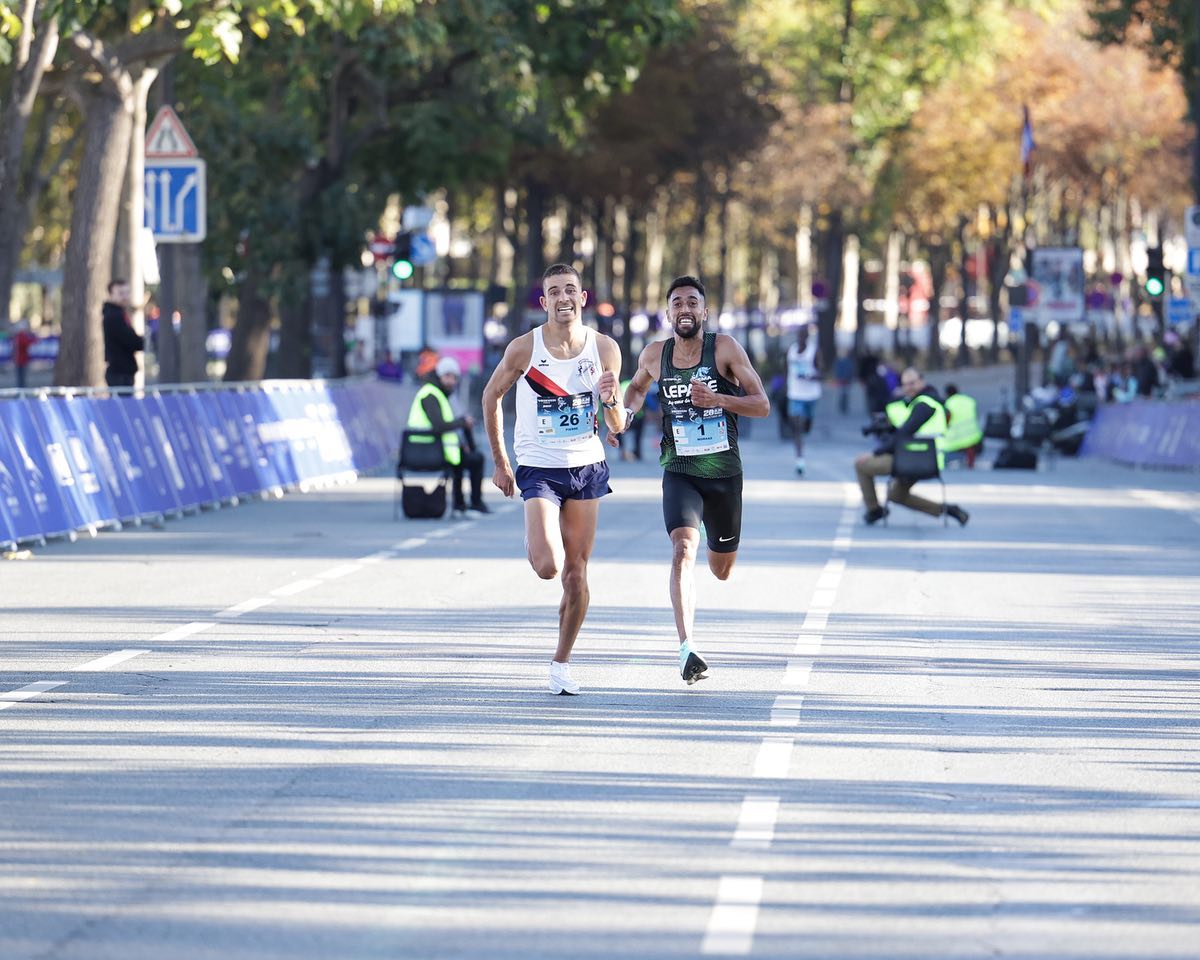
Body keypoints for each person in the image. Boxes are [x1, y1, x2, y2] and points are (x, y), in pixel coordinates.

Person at [611, 276, 770, 685]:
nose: (684, 309)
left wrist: (718, 399)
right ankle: (686, 647)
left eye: (692, 302)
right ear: (668, 313)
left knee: (720, 570)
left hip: (723, 475)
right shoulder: (653, 355)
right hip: (680, 470)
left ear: (704, 312)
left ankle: (720, 557)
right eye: (677, 302)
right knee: (683, 548)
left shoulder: (726, 349)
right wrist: (624, 417)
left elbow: (762, 405)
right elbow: (636, 391)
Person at [481, 263, 626, 695]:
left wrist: (612, 399)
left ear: (582, 298)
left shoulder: (604, 349)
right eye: (554, 292)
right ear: (545, 302)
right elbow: (490, 396)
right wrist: (500, 462)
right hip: (539, 466)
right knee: (549, 566)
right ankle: (536, 535)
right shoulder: (525, 349)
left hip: (586, 465)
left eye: (571, 290)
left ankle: (561, 663)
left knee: (576, 576)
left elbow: (616, 425)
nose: (564, 298)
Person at [854, 367, 969, 526]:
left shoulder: (925, 404)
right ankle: (948, 510)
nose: (909, 387)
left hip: (915, 459)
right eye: (905, 384)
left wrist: (875, 454)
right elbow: (909, 430)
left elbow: (903, 434)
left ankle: (874, 510)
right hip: (926, 458)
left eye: (913, 383)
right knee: (896, 495)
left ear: (922, 381)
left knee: (861, 465)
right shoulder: (928, 401)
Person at [407, 355, 489, 515]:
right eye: (448, 376)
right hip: (426, 451)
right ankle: (472, 503)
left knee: (465, 458)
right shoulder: (430, 395)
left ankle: (461, 505)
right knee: (475, 460)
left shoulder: (439, 394)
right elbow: (439, 426)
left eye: (454, 377)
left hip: (430, 449)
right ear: (439, 376)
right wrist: (462, 422)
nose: (452, 381)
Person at [785, 323, 821, 475]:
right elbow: (786, 370)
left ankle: (807, 426)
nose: (800, 337)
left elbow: (821, 371)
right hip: (795, 394)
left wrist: (812, 375)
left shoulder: (814, 351)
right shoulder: (791, 351)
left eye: (803, 335)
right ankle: (800, 460)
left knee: (806, 426)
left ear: (807, 336)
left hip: (811, 395)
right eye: (798, 334)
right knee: (797, 425)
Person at [102, 279, 143, 388]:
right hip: (119, 373)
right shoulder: (114, 316)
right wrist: (142, 342)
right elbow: (130, 340)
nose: (125, 297)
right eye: (120, 293)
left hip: (123, 371)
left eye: (127, 293)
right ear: (111, 294)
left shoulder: (118, 313)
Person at [942, 383, 984, 468]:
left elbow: (947, 418)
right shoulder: (969, 401)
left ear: (947, 394)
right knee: (969, 446)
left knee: (943, 451)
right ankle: (970, 463)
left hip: (955, 439)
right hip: (974, 436)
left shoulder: (949, 402)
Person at [12, 320, 37, 389]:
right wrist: (34, 339)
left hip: (20, 359)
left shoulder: (17, 336)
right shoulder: (21, 336)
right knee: (21, 378)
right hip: (21, 360)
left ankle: (21, 390)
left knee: (21, 377)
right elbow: (26, 343)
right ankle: (21, 391)